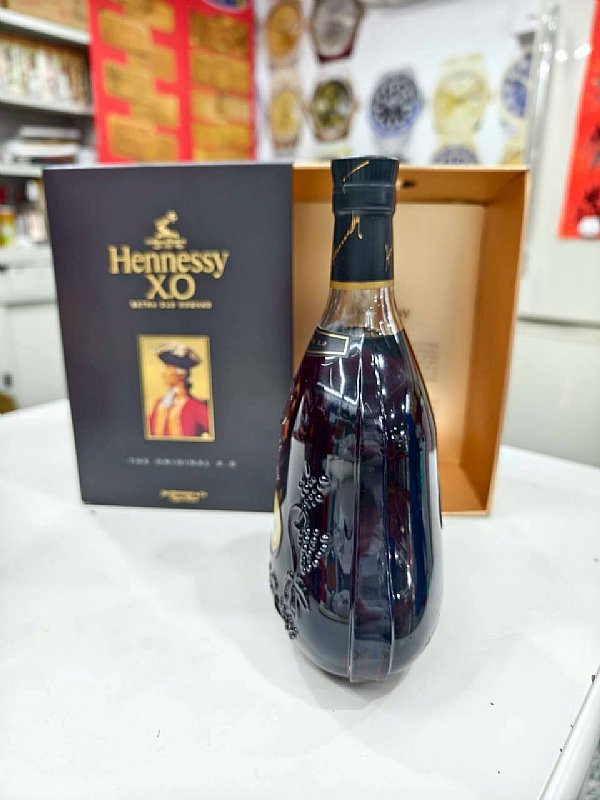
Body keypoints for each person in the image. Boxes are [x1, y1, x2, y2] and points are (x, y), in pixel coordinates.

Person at [148, 343, 210, 438]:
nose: (164, 373)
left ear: (181, 374)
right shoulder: (158, 404)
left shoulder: (196, 407)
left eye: (168, 368)